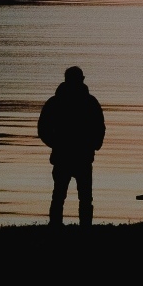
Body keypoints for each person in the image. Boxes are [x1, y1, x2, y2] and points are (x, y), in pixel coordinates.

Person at [38, 66, 106, 226]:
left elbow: (43, 128)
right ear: (81, 79)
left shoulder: (56, 102)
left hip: (70, 155)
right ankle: (81, 227)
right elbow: (100, 127)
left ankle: (57, 226)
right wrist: (94, 144)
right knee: (78, 197)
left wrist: (55, 144)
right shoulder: (89, 102)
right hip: (77, 155)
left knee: (61, 196)